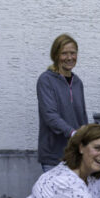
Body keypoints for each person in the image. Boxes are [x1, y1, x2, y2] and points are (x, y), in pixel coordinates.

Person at [37, 34, 88, 173]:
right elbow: (50, 115)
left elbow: (82, 116)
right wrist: (72, 133)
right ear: (55, 55)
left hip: (76, 155)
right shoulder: (46, 80)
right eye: (64, 53)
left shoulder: (78, 82)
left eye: (73, 53)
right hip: (53, 157)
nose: (69, 57)